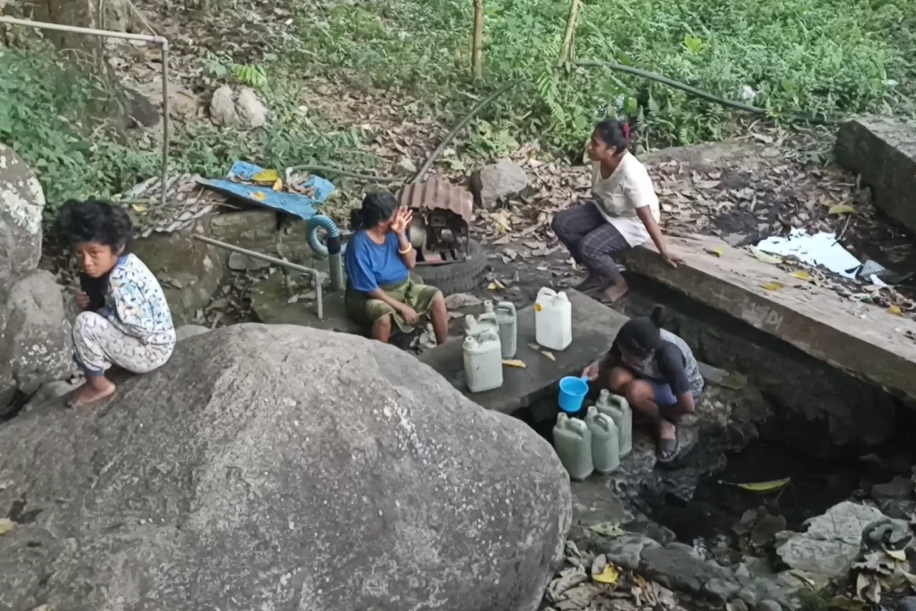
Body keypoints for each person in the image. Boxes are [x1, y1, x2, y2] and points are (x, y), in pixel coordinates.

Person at [58, 199, 176, 408]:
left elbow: (140, 327)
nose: (86, 262)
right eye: (80, 253)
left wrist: (103, 314)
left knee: (85, 324)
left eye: (94, 253)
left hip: (151, 350)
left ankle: (98, 385)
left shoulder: (122, 282)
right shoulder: (123, 264)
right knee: (87, 317)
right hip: (154, 341)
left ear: (118, 247)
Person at [551, 119, 680, 303]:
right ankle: (597, 273)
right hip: (607, 209)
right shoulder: (599, 158)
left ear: (611, 150)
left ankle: (619, 283)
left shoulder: (631, 173)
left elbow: (646, 215)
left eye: (595, 144)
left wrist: (664, 252)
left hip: (632, 221)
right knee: (562, 223)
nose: (589, 147)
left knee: (589, 246)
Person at [582, 305, 703, 462]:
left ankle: (664, 425)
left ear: (650, 354)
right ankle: (641, 408)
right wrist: (596, 364)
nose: (624, 359)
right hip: (653, 377)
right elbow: (613, 355)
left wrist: (661, 411)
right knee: (616, 377)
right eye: (623, 353)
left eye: (630, 358)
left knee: (635, 391)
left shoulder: (669, 357)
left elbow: (688, 406)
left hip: (679, 390)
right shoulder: (632, 335)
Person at [344, 191, 449, 344]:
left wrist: (401, 235)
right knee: (384, 318)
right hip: (370, 296)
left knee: (437, 297)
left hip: (402, 288)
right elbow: (371, 289)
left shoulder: (394, 231)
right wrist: (402, 308)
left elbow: (410, 263)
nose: (399, 216)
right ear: (381, 222)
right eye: (395, 214)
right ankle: (382, 360)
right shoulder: (358, 245)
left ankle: (443, 347)